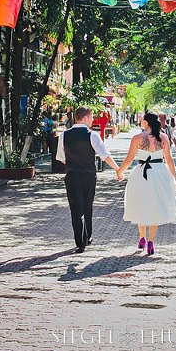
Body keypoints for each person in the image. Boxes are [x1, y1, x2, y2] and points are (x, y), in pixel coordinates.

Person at [117, 112, 176, 256]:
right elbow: (170, 160)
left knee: (142, 204)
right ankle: (151, 242)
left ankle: (142, 238)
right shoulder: (164, 137)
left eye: (142, 120)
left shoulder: (137, 138)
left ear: (146, 122)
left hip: (141, 173)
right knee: (156, 205)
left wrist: (120, 172)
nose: (140, 122)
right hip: (160, 173)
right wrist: (175, 178)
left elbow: (129, 159)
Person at [56, 106, 120, 253]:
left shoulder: (64, 135)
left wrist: (74, 163)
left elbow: (61, 158)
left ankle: (80, 241)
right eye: (91, 117)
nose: (92, 120)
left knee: (75, 208)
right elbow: (105, 155)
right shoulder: (92, 135)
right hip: (89, 176)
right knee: (87, 205)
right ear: (84, 118)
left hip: (72, 176)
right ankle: (88, 235)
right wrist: (118, 169)